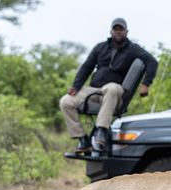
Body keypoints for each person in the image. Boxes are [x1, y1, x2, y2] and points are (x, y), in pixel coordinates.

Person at [60, 18, 158, 153]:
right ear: (111, 31)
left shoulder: (133, 49)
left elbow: (152, 62)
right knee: (65, 101)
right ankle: (83, 139)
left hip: (115, 91)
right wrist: (76, 86)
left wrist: (146, 84)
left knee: (111, 87)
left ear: (126, 32)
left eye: (121, 29)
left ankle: (101, 130)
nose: (118, 32)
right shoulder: (100, 47)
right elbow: (86, 67)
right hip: (94, 90)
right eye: (115, 29)